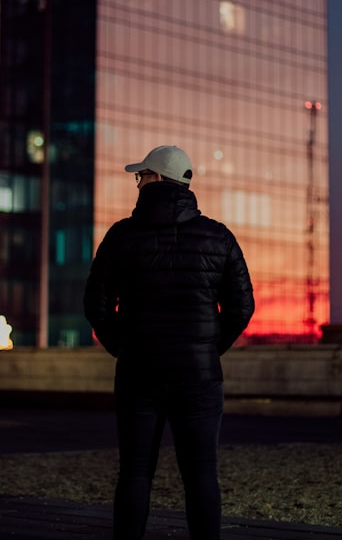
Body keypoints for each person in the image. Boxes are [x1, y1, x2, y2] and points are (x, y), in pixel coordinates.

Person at [84, 145, 255, 540]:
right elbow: (241, 307)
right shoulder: (219, 237)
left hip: (138, 372)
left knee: (135, 471)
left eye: (141, 175)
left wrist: (123, 348)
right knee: (200, 473)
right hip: (199, 377)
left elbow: (96, 304)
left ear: (157, 178)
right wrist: (208, 348)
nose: (138, 182)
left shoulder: (121, 236)